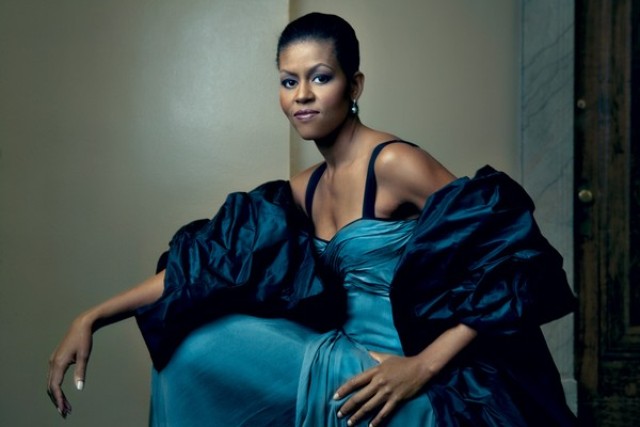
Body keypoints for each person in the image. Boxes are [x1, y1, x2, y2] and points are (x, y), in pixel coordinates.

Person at [48, 12, 578, 426]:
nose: (301, 95)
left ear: (354, 85)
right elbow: (205, 265)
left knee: (199, 349)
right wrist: (92, 316)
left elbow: (513, 263)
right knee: (190, 347)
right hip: (342, 358)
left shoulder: (395, 164)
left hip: (403, 372)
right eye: (288, 81)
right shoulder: (303, 190)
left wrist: (420, 368)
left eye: (320, 78)